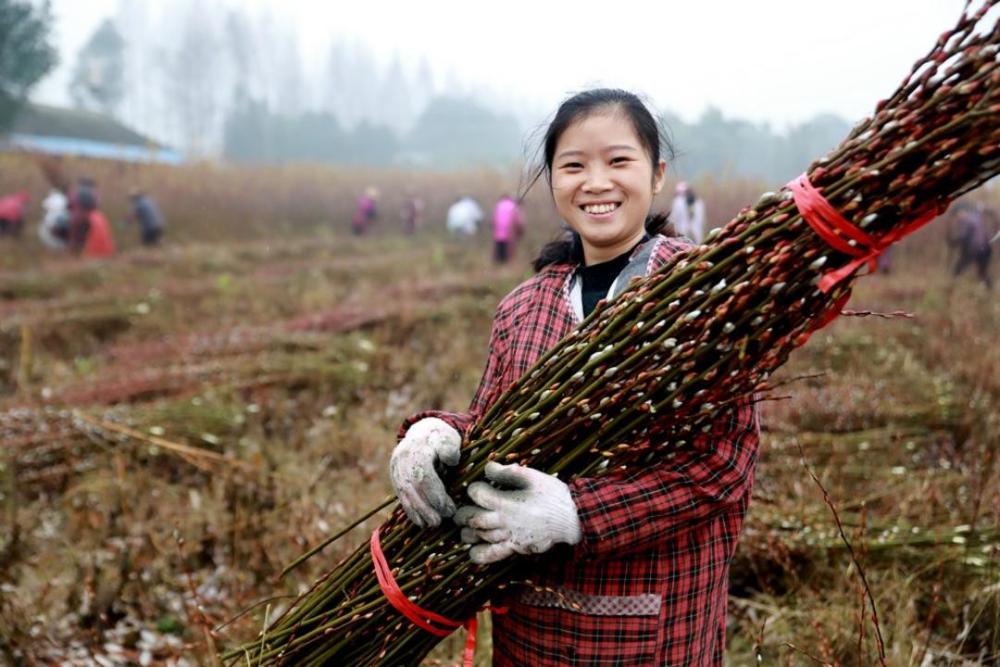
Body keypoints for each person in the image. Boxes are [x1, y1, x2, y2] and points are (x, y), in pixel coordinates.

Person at [388, 89, 760, 665]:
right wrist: (433, 433)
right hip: (531, 625)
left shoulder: (703, 295)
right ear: (553, 181)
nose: (596, 182)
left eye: (618, 161)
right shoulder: (523, 306)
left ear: (657, 175)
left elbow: (721, 469)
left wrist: (577, 512)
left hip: (658, 624)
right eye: (574, 165)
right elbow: (493, 428)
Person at [949, 202, 994, 289]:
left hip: (974, 250)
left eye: (958, 214)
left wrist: (953, 241)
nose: (957, 217)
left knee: (957, 270)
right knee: (982, 272)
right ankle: (989, 290)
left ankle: (952, 288)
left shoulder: (965, 220)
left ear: (962, 212)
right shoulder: (975, 218)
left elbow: (963, 236)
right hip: (985, 249)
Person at [491, 194, 523, 263]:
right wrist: (520, 231)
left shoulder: (498, 205)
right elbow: (519, 221)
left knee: (499, 254)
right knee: (508, 255)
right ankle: (506, 269)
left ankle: (498, 267)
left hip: (498, 234)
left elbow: (493, 220)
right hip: (509, 234)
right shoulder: (514, 206)